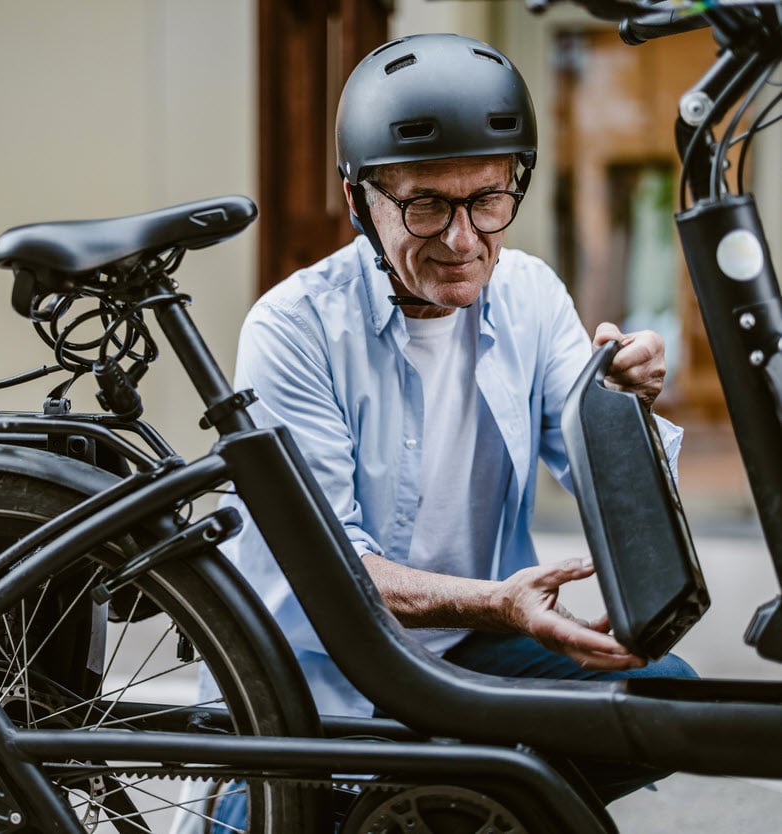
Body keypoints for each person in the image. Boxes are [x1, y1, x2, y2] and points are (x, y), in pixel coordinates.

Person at [205, 32, 696, 828]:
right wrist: (501, 604)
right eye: (426, 204)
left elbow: (613, 487)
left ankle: (446, 803)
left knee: (670, 700)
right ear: (359, 199)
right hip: (319, 678)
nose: (463, 239)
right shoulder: (291, 328)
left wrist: (625, 404)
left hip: (467, 659)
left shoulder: (531, 293)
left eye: (487, 199)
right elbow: (335, 571)